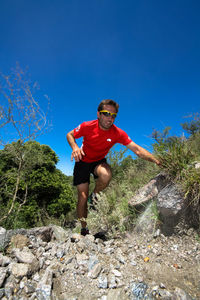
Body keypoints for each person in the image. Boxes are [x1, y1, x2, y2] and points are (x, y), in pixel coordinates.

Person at [67, 99, 161, 236]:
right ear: (98, 114)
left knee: (106, 175)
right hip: (82, 161)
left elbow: (138, 150)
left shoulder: (117, 133)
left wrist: (156, 160)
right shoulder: (87, 126)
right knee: (82, 198)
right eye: (106, 114)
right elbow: (70, 134)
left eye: (113, 115)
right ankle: (84, 228)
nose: (110, 118)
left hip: (98, 161)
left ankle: (94, 196)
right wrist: (75, 147)